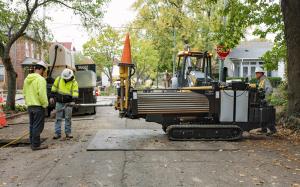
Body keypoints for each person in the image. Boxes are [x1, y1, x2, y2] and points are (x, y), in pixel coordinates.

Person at [23, 61, 48, 150]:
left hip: (30, 106)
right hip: (38, 106)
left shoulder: (26, 79)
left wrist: (28, 102)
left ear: (35, 68)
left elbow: (24, 93)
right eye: (43, 71)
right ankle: (36, 145)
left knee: (32, 125)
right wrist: (45, 104)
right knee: (38, 126)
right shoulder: (41, 79)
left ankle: (32, 143)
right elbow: (42, 94)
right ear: (41, 69)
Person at [50, 68, 79, 139]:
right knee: (58, 118)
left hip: (68, 103)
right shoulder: (59, 79)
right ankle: (57, 133)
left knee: (68, 118)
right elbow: (54, 88)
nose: (66, 79)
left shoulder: (74, 82)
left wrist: (73, 101)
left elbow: (75, 92)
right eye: (65, 78)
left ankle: (68, 133)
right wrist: (51, 97)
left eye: (67, 78)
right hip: (59, 102)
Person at [255, 67, 277, 135]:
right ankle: (263, 129)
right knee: (262, 115)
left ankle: (273, 130)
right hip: (262, 100)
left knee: (267, 116)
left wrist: (266, 99)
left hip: (265, 101)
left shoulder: (265, 80)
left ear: (261, 73)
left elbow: (269, 89)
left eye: (257, 73)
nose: (256, 75)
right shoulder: (261, 80)